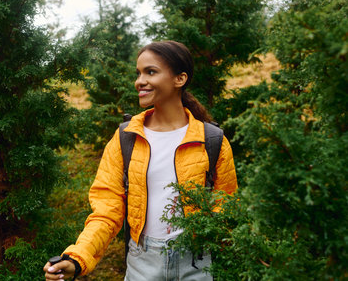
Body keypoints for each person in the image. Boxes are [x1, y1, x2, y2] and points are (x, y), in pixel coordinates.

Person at [43, 40, 237, 281]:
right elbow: (107, 210)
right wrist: (77, 258)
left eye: (151, 72)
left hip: (197, 263)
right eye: (139, 73)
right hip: (142, 262)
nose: (139, 81)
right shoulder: (126, 138)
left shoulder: (212, 139)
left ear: (180, 79)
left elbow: (225, 207)